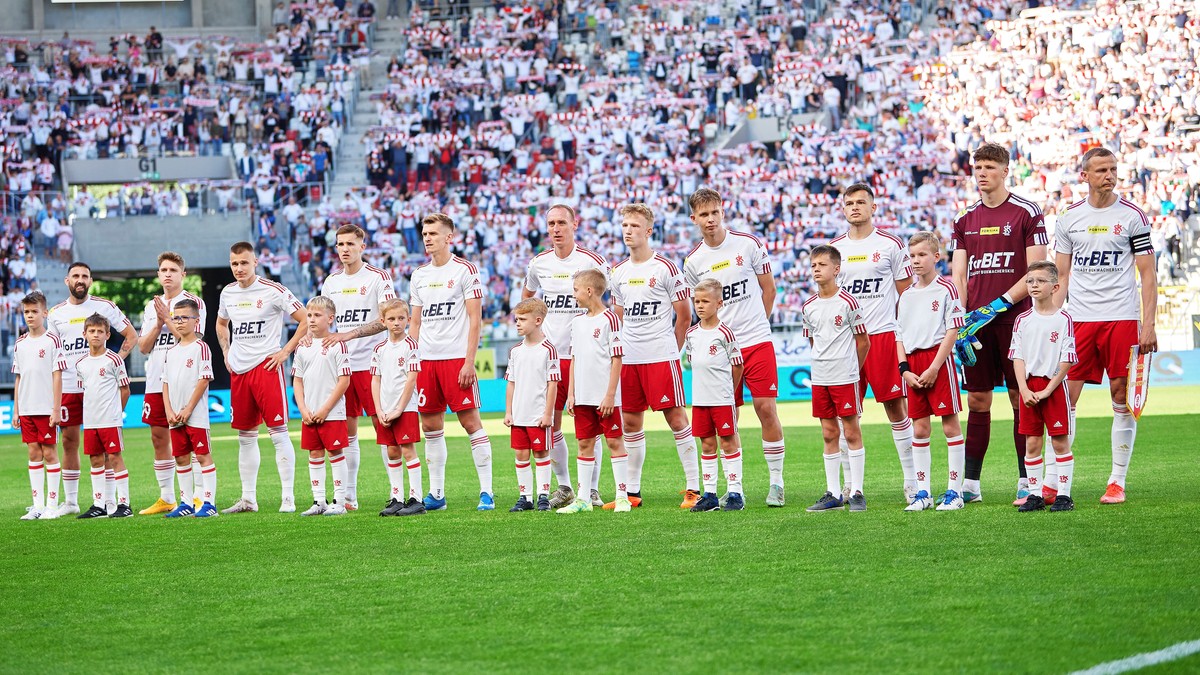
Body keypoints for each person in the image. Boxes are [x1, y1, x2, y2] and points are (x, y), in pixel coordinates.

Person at [1052, 147, 1157, 505]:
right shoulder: (1068, 219)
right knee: (1066, 397)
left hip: (1122, 318)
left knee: (1121, 399)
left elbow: (1147, 274)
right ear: (1085, 175)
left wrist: (1149, 324)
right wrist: (1052, 320)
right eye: (1100, 170)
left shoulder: (1132, 216)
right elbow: (1060, 276)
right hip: (1079, 319)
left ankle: (1117, 481)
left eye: (1113, 169)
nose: (1109, 175)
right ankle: (1054, 481)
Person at [952, 143, 1048, 504]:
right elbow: (959, 275)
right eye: (977, 166)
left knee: (1018, 398)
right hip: (977, 325)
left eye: (989, 166)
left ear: (1005, 170)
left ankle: (1027, 479)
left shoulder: (1026, 212)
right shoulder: (964, 218)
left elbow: (1036, 270)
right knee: (977, 400)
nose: (981, 173)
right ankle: (971, 485)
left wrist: (999, 304)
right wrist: (960, 319)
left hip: (1016, 321)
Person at [683, 188, 787, 507]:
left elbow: (768, 290)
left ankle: (776, 483)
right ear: (694, 219)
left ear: (723, 212)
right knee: (729, 418)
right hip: (720, 350)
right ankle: (733, 487)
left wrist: (757, 326)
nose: (710, 219)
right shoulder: (694, 261)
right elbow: (697, 307)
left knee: (765, 409)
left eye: (715, 212)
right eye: (704, 214)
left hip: (755, 341)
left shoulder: (748, 244)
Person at [609, 203, 699, 509]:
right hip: (629, 360)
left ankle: (693, 488)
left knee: (676, 419)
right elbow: (617, 320)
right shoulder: (618, 273)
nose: (628, 231)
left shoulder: (665, 269)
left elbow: (685, 316)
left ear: (648, 231)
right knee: (630, 423)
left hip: (660, 356)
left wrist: (672, 351)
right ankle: (632, 492)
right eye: (624, 225)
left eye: (634, 226)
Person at [522, 204, 611, 508]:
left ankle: (593, 489)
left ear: (575, 224)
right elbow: (527, 298)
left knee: (590, 424)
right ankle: (565, 486)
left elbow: (610, 303)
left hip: (585, 357)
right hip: (551, 356)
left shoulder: (593, 262)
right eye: (551, 224)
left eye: (562, 222)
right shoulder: (539, 264)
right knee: (553, 423)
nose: (556, 229)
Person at [831, 183, 916, 501]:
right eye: (849, 203)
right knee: (846, 413)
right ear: (843, 209)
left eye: (861, 202)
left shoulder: (891, 245)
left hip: (882, 335)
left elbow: (907, 296)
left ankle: (911, 480)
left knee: (896, 407)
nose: (855, 207)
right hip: (845, 341)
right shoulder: (834, 249)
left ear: (873, 207)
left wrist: (903, 337)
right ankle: (849, 485)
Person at [409, 213, 495, 511]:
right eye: (424, 233)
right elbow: (416, 322)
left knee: (471, 422)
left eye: (433, 232)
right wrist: (412, 359)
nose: (428, 237)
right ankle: (437, 494)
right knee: (430, 426)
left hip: (456, 358)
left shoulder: (465, 270)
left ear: (449, 237)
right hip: (426, 362)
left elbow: (475, 320)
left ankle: (487, 492)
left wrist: (469, 361)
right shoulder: (418, 274)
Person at [217, 241, 308, 514]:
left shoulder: (273, 290)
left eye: (244, 262)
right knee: (246, 436)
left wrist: (285, 351)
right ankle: (248, 499)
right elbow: (221, 324)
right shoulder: (228, 293)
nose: (239, 268)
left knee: (278, 434)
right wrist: (226, 351)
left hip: (267, 368)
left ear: (255, 262)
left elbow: (304, 319)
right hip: (240, 371)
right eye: (234, 263)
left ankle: (288, 498)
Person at [47, 262, 137, 517]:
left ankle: (112, 502)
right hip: (68, 385)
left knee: (109, 451)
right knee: (70, 442)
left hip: (101, 387)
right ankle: (72, 501)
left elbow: (131, 336)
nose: (80, 280)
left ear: (90, 280)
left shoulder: (105, 307)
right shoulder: (55, 313)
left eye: (85, 276)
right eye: (75, 275)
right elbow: (53, 354)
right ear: (67, 280)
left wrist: (112, 361)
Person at [317, 224, 397, 510]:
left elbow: (386, 318)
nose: (345, 249)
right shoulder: (331, 282)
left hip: (372, 364)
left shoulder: (378, 278)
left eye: (351, 244)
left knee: (383, 426)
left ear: (363, 247)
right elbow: (323, 321)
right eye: (340, 244)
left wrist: (349, 334)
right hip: (342, 366)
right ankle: (349, 495)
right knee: (347, 430)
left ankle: (397, 492)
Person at [895, 233, 967, 511]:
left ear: (936, 257)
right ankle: (923, 492)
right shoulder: (906, 296)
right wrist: (904, 370)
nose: (916, 261)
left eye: (922, 255)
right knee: (920, 427)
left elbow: (953, 328)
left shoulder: (946, 289)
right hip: (912, 365)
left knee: (950, 424)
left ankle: (954, 491)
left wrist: (936, 367)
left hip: (939, 361)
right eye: (912, 256)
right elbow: (899, 334)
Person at [136, 252, 208, 516]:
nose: (167, 274)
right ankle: (167, 497)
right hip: (157, 378)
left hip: (186, 380)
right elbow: (143, 347)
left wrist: (168, 318)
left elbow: (194, 339)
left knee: (192, 437)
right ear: (158, 275)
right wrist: (158, 321)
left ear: (183, 275)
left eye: (173, 270)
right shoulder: (150, 306)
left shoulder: (193, 302)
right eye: (163, 270)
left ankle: (199, 497)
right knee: (158, 437)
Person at [801, 246, 870, 513]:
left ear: (836, 269)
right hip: (820, 378)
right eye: (813, 265)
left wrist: (852, 368)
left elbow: (863, 342)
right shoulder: (808, 306)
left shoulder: (849, 302)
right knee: (829, 433)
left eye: (821, 264)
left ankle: (857, 492)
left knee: (851, 431)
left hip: (845, 376)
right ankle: (832, 493)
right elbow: (811, 340)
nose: (816, 269)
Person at [558, 269, 632, 514]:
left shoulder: (610, 319)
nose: (574, 295)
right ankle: (583, 499)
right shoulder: (577, 322)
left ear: (589, 291)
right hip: (582, 398)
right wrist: (571, 394)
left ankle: (622, 496)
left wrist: (610, 394)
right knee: (584, 444)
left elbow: (617, 358)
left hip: (604, 397)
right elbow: (575, 359)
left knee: (614, 442)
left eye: (576, 290)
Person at [1011, 262, 1078, 513]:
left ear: (1055, 286)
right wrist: (1024, 390)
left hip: (1054, 387)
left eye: (1040, 281)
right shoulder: (1022, 320)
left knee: (1060, 442)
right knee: (1032, 443)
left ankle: (1063, 495)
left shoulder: (1064, 319)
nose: (1034, 285)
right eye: (1030, 281)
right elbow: (1017, 357)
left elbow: (1067, 358)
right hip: (1029, 388)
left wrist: (1049, 389)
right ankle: (1035, 494)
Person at [683, 279, 746, 512]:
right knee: (707, 443)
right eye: (696, 301)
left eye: (705, 301)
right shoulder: (691, 334)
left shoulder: (725, 333)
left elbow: (738, 365)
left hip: (721, 399)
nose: (700, 306)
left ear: (719, 303)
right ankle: (709, 494)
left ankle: (735, 493)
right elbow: (693, 362)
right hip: (700, 399)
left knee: (728, 442)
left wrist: (729, 389)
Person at [293, 296, 353, 516]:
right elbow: (297, 381)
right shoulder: (303, 347)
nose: (312, 319)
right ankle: (319, 501)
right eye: (309, 315)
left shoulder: (338, 345)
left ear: (331, 318)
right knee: (315, 454)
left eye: (317, 315)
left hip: (332, 412)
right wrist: (303, 410)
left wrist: (326, 409)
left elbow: (344, 380)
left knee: (335, 453)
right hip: (309, 412)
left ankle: (339, 500)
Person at [161, 298, 219, 518]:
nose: (180, 322)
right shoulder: (171, 351)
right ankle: (185, 503)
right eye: (176, 318)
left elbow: (204, 380)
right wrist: (168, 410)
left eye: (185, 317)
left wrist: (187, 409)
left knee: (203, 456)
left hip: (195, 416)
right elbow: (164, 383)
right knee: (181, 458)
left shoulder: (201, 348)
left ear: (196, 321)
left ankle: (209, 503)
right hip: (174, 416)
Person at [11, 291, 66, 520]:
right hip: (27, 408)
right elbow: (19, 377)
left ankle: (52, 506)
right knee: (34, 453)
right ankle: (38, 505)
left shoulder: (52, 340)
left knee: (49, 452)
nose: (30, 316)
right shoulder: (20, 343)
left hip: (46, 408)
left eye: (34, 311)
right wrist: (16, 410)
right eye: (26, 312)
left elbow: (57, 375)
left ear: (45, 313)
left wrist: (56, 407)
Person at [74, 314, 133, 518]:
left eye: (100, 331)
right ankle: (99, 504)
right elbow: (85, 392)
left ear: (107, 334)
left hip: (110, 419)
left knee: (115, 457)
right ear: (85, 334)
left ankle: (124, 504)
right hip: (91, 421)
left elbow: (125, 390)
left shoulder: (114, 359)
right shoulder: (81, 364)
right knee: (95, 459)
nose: (96, 335)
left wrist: (117, 412)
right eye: (92, 331)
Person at [504, 298, 560, 512]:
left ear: (538, 320)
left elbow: (552, 383)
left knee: (541, 454)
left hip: (538, 415)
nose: (517, 323)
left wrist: (548, 414)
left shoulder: (548, 350)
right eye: (516, 319)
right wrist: (508, 411)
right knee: (520, 455)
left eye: (522, 319)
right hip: (519, 415)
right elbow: (511, 382)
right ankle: (525, 497)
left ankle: (543, 495)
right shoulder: (516, 351)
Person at [371, 299, 426, 517]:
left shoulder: (411, 346)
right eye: (391, 319)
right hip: (385, 408)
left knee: (407, 450)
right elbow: (375, 380)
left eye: (401, 318)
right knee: (392, 451)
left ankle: (416, 499)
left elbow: (411, 380)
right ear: (383, 321)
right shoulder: (379, 349)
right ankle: (396, 497)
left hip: (405, 408)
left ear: (408, 320)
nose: (396, 323)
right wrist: (379, 409)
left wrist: (398, 409)